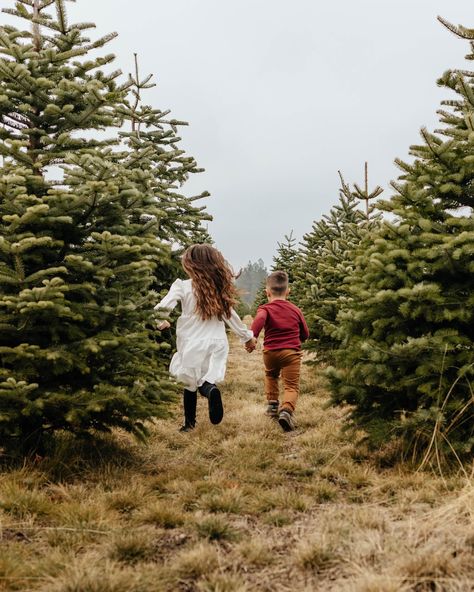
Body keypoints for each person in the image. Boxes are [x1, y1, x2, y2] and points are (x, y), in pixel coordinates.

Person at [155, 244, 256, 431]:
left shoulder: (182, 286)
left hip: (191, 343)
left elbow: (163, 306)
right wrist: (246, 337)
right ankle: (211, 391)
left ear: (190, 264)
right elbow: (231, 316)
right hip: (217, 343)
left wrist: (160, 321)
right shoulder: (217, 290)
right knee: (205, 380)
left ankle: (189, 424)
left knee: (189, 383)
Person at [250, 270, 309, 432]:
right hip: (291, 353)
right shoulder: (296, 310)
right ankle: (286, 411)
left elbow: (259, 320)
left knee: (271, 375)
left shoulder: (265, 308)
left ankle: (272, 405)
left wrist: (253, 336)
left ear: (267, 292)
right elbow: (305, 333)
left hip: (270, 352)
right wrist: (300, 339)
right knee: (291, 386)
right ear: (288, 291)